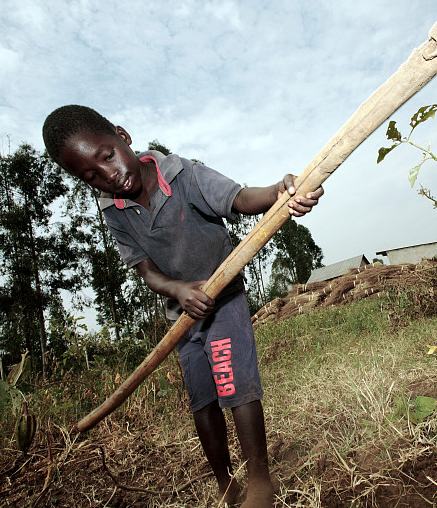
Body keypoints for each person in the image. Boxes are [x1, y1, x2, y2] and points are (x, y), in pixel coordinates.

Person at [42, 105, 323, 507]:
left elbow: (241, 199)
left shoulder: (183, 173)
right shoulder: (113, 211)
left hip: (224, 300)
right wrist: (176, 290)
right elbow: (147, 272)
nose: (107, 175)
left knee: (235, 386)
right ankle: (226, 483)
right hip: (183, 319)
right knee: (203, 401)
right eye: (90, 176)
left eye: (106, 156)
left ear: (123, 136)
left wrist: (280, 193)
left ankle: (260, 481)